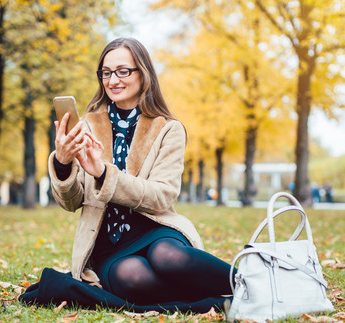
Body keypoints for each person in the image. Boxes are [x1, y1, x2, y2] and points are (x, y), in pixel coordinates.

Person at [31, 38, 233, 308]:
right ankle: (220, 299)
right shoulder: (87, 125)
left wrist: (105, 174)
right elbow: (70, 203)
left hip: (156, 228)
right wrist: (63, 163)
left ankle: (256, 282)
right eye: (106, 72)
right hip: (108, 244)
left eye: (123, 71)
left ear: (143, 74)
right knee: (132, 277)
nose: (113, 79)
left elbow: (162, 196)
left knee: (168, 257)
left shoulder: (168, 129)